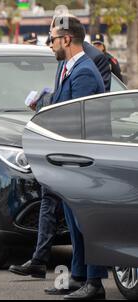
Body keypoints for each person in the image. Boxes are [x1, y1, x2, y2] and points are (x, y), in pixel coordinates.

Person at [10, 17, 114, 280]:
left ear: (66, 39)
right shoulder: (68, 68)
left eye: (52, 39)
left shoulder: (85, 72)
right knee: (73, 223)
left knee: (85, 224)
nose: (49, 44)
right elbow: (60, 104)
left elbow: (76, 120)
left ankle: (93, 281)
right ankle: (78, 277)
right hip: (65, 161)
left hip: (79, 162)